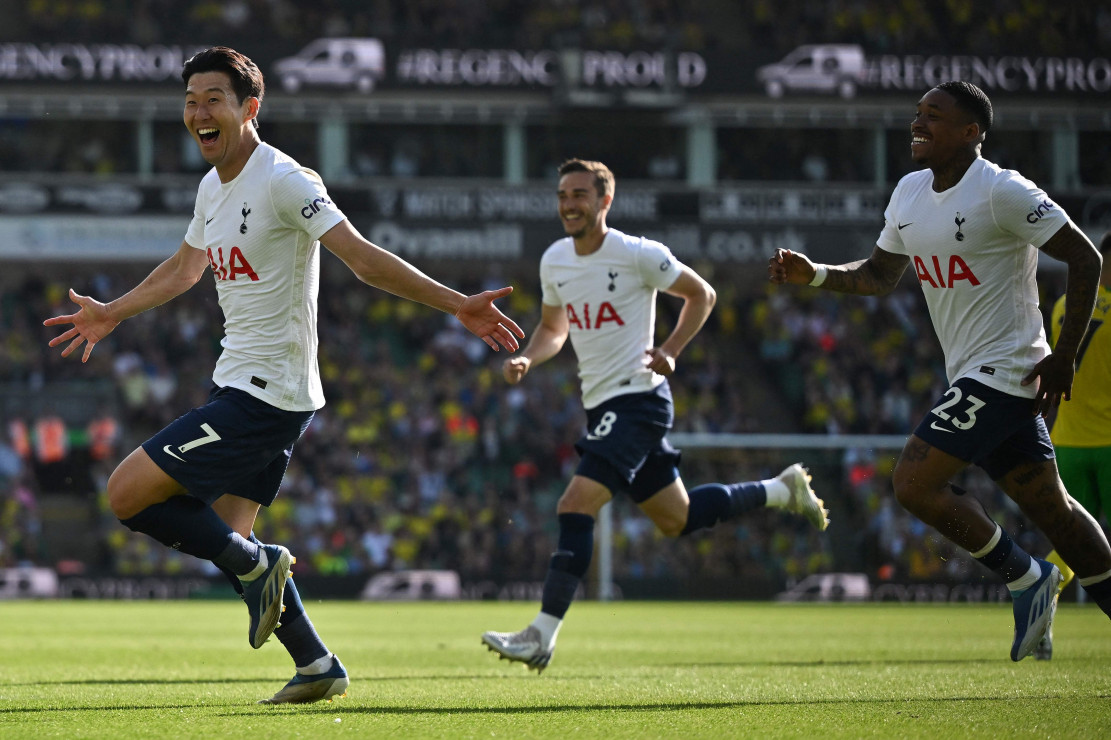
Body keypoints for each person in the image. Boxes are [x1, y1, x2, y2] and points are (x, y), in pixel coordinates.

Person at [43, 47, 524, 704]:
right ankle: (316, 662)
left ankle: (258, 567)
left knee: (128, 495)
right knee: (233, 536)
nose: (198, 112)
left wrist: (456, 304)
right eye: (190, 100)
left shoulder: (285, 179)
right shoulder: (213, 189)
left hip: (267, 392)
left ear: (250, 108)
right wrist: (112, 315)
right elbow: (185, 270)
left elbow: (361, 258)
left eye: (213, 98)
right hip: (244, 382)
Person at [768, 80, 1111, 661]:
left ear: (972, 132)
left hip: (1005, 369)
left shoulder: (1002, 191)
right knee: (1055, 511)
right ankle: (1045, 578)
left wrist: (1065, 353)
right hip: (975, 375)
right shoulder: (908, 193)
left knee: (912, 482)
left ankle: (1027, 577)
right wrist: (818, 275)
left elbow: (1085, 256)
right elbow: (879, 276)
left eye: (934, 115)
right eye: (917, 113)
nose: (918, 123)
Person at [481, 158, 829, 673]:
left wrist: (671, 348)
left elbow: (701, 293)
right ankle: (781, 489)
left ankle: (542, 633)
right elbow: (555, 328)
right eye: (562, 195)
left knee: (574, 505)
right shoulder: (555, 260)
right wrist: (529, 357)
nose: (569, 204)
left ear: (604, 201)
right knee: (676, 518)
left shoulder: (638, 253)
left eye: (579, 194)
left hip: (638, 399)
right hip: (602, 403)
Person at [1036, 230, 1111, 659]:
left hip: (1066, 440)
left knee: (1067, 540)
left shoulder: (1066, 305)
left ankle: (1045, 603)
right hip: (1108, 443)